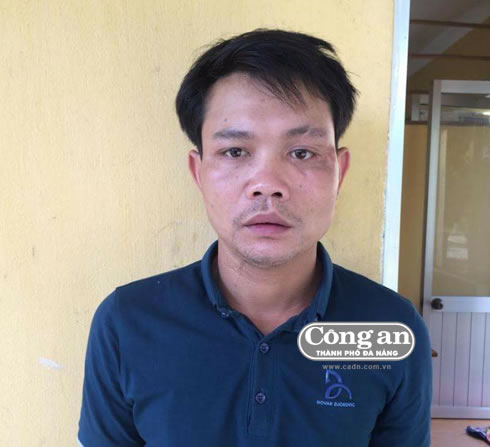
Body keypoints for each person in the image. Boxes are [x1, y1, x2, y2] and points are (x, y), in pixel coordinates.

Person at [78, 28, 432, 447]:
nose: (268, 185)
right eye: (235, 152)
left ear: (340, 173)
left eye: (302, 152)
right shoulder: (127, 322)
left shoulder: (391, 328)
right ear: (198, 173)